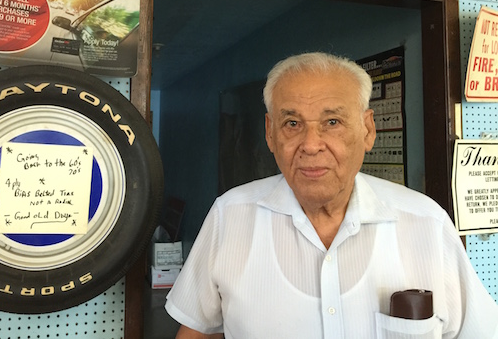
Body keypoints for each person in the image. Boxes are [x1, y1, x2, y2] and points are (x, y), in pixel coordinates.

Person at [164, 52, 498, 338]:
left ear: (368, 130)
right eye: (292, 123)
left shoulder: (426, 223)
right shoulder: (230, 216)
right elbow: (196, 330)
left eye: (333, 122)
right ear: (269, 132)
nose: (310, 144)